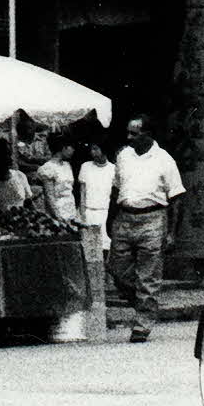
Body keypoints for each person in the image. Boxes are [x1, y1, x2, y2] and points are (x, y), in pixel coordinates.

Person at [109, 117, 185, 342]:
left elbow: (177, 199)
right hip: (124, 217)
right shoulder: (123, 156)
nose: (129, 138)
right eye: (128, 133)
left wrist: (172, 232)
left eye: (134, 134)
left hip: (153, 219)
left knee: (148, 275)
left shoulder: (165, 160)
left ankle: (142, 324)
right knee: (116, 269)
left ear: (148, 134)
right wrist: (110, 218)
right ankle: (147, 304)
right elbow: (115, 188)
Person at [73, 135, 116, 326]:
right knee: (89, 249)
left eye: (97, 149)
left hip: (106, 211)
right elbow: (82, 192)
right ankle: (92, 281)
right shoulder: (85, 167)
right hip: (89, 210)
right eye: (92, 149)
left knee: (106, 248)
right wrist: (81, 213)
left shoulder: (114, 169)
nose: (93, 152)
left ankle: (106, 280)